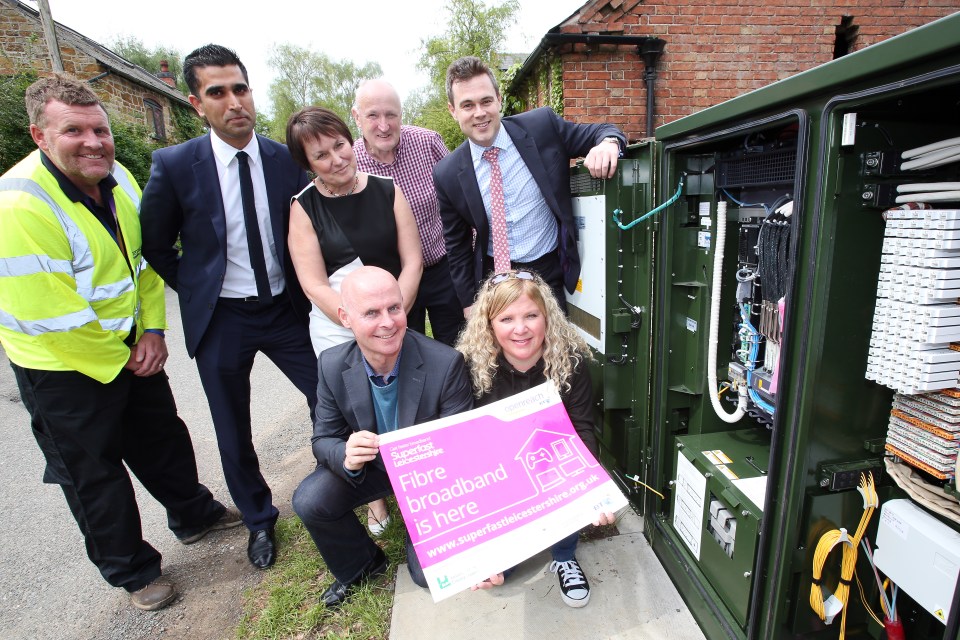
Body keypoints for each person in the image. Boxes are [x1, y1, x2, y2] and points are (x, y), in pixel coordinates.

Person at [0, 75, 241, 611]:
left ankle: (194, 514)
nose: (93, 142)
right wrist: (124, 357)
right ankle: (133, 572)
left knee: (160, 437)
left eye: (100, 129)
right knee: (93, 472)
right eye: (74, 131)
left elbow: (145, 262)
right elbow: (51, 316)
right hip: (60, 365)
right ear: (40, 136)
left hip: (130, 343)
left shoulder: (120, 179)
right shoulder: (19, 206)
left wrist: (152, 331)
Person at [140, 44, 319, 570]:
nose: (233, 101)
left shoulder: (285, 158)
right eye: (217, 92)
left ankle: (337, 488)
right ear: (197, 103)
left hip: (286, 310)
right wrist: (197, 290)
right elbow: (156, 245)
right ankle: (259, 520)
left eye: (240, 88)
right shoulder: (175, 166)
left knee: (328, 397)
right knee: (232, 426)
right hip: (224, 319)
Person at [291, 266, 473, 608]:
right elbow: (323, 439)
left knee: (425, 576)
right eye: (371, 313)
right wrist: (346, 453)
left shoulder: (445, 363)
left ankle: (420, 534)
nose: (387, 322)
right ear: (345, 318)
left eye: (394, 308)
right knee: (311, 499)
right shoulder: (332, 364)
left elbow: (460, 448)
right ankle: (362, 565)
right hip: (373, 467)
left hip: (430, 477)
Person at [455, 269, 615, 608]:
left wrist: (589, 492)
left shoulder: (570, 363)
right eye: (507, 318)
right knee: (497, 571)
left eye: (531, 315)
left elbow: (583, 428)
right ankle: (507, 548)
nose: (521, 328)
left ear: (547, 317)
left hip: (551, 465)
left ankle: (564, 555)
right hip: (496, 472)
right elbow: (460, 446)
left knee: (565, 484)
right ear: (489, 324)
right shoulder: (469, 367)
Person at [433, 56, 626, 317]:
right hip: (495, 281)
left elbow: (601, 131)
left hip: (549, 270)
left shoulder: (541, 127)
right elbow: (456, 246)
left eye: (486, 101)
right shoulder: (447, 173)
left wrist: (608, 143)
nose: (479, 113)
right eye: (467, 105)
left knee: (557, 352)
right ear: (453, 111)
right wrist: (469, 302)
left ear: (499, 99)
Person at [286, 106, 422, 356]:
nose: (337, 160)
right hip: (339, 330)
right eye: (322, 155)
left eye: (339, 145)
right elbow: (313, 285)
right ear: (308, 163)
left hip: (398, 318)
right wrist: (360, 321)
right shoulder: (303, 207)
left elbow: (413, 262)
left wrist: (391, 317)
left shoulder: (390, 191)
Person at [352, 79, 463, 346]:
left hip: (443, 270)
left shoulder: (427, 143)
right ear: (357, 117)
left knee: (457, 347)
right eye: (373, 115)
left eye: (391, 115)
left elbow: (460, 199)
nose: (383, 125)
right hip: (392, 280)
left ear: (401, 114)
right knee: (405, 352)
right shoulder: (351, 162)